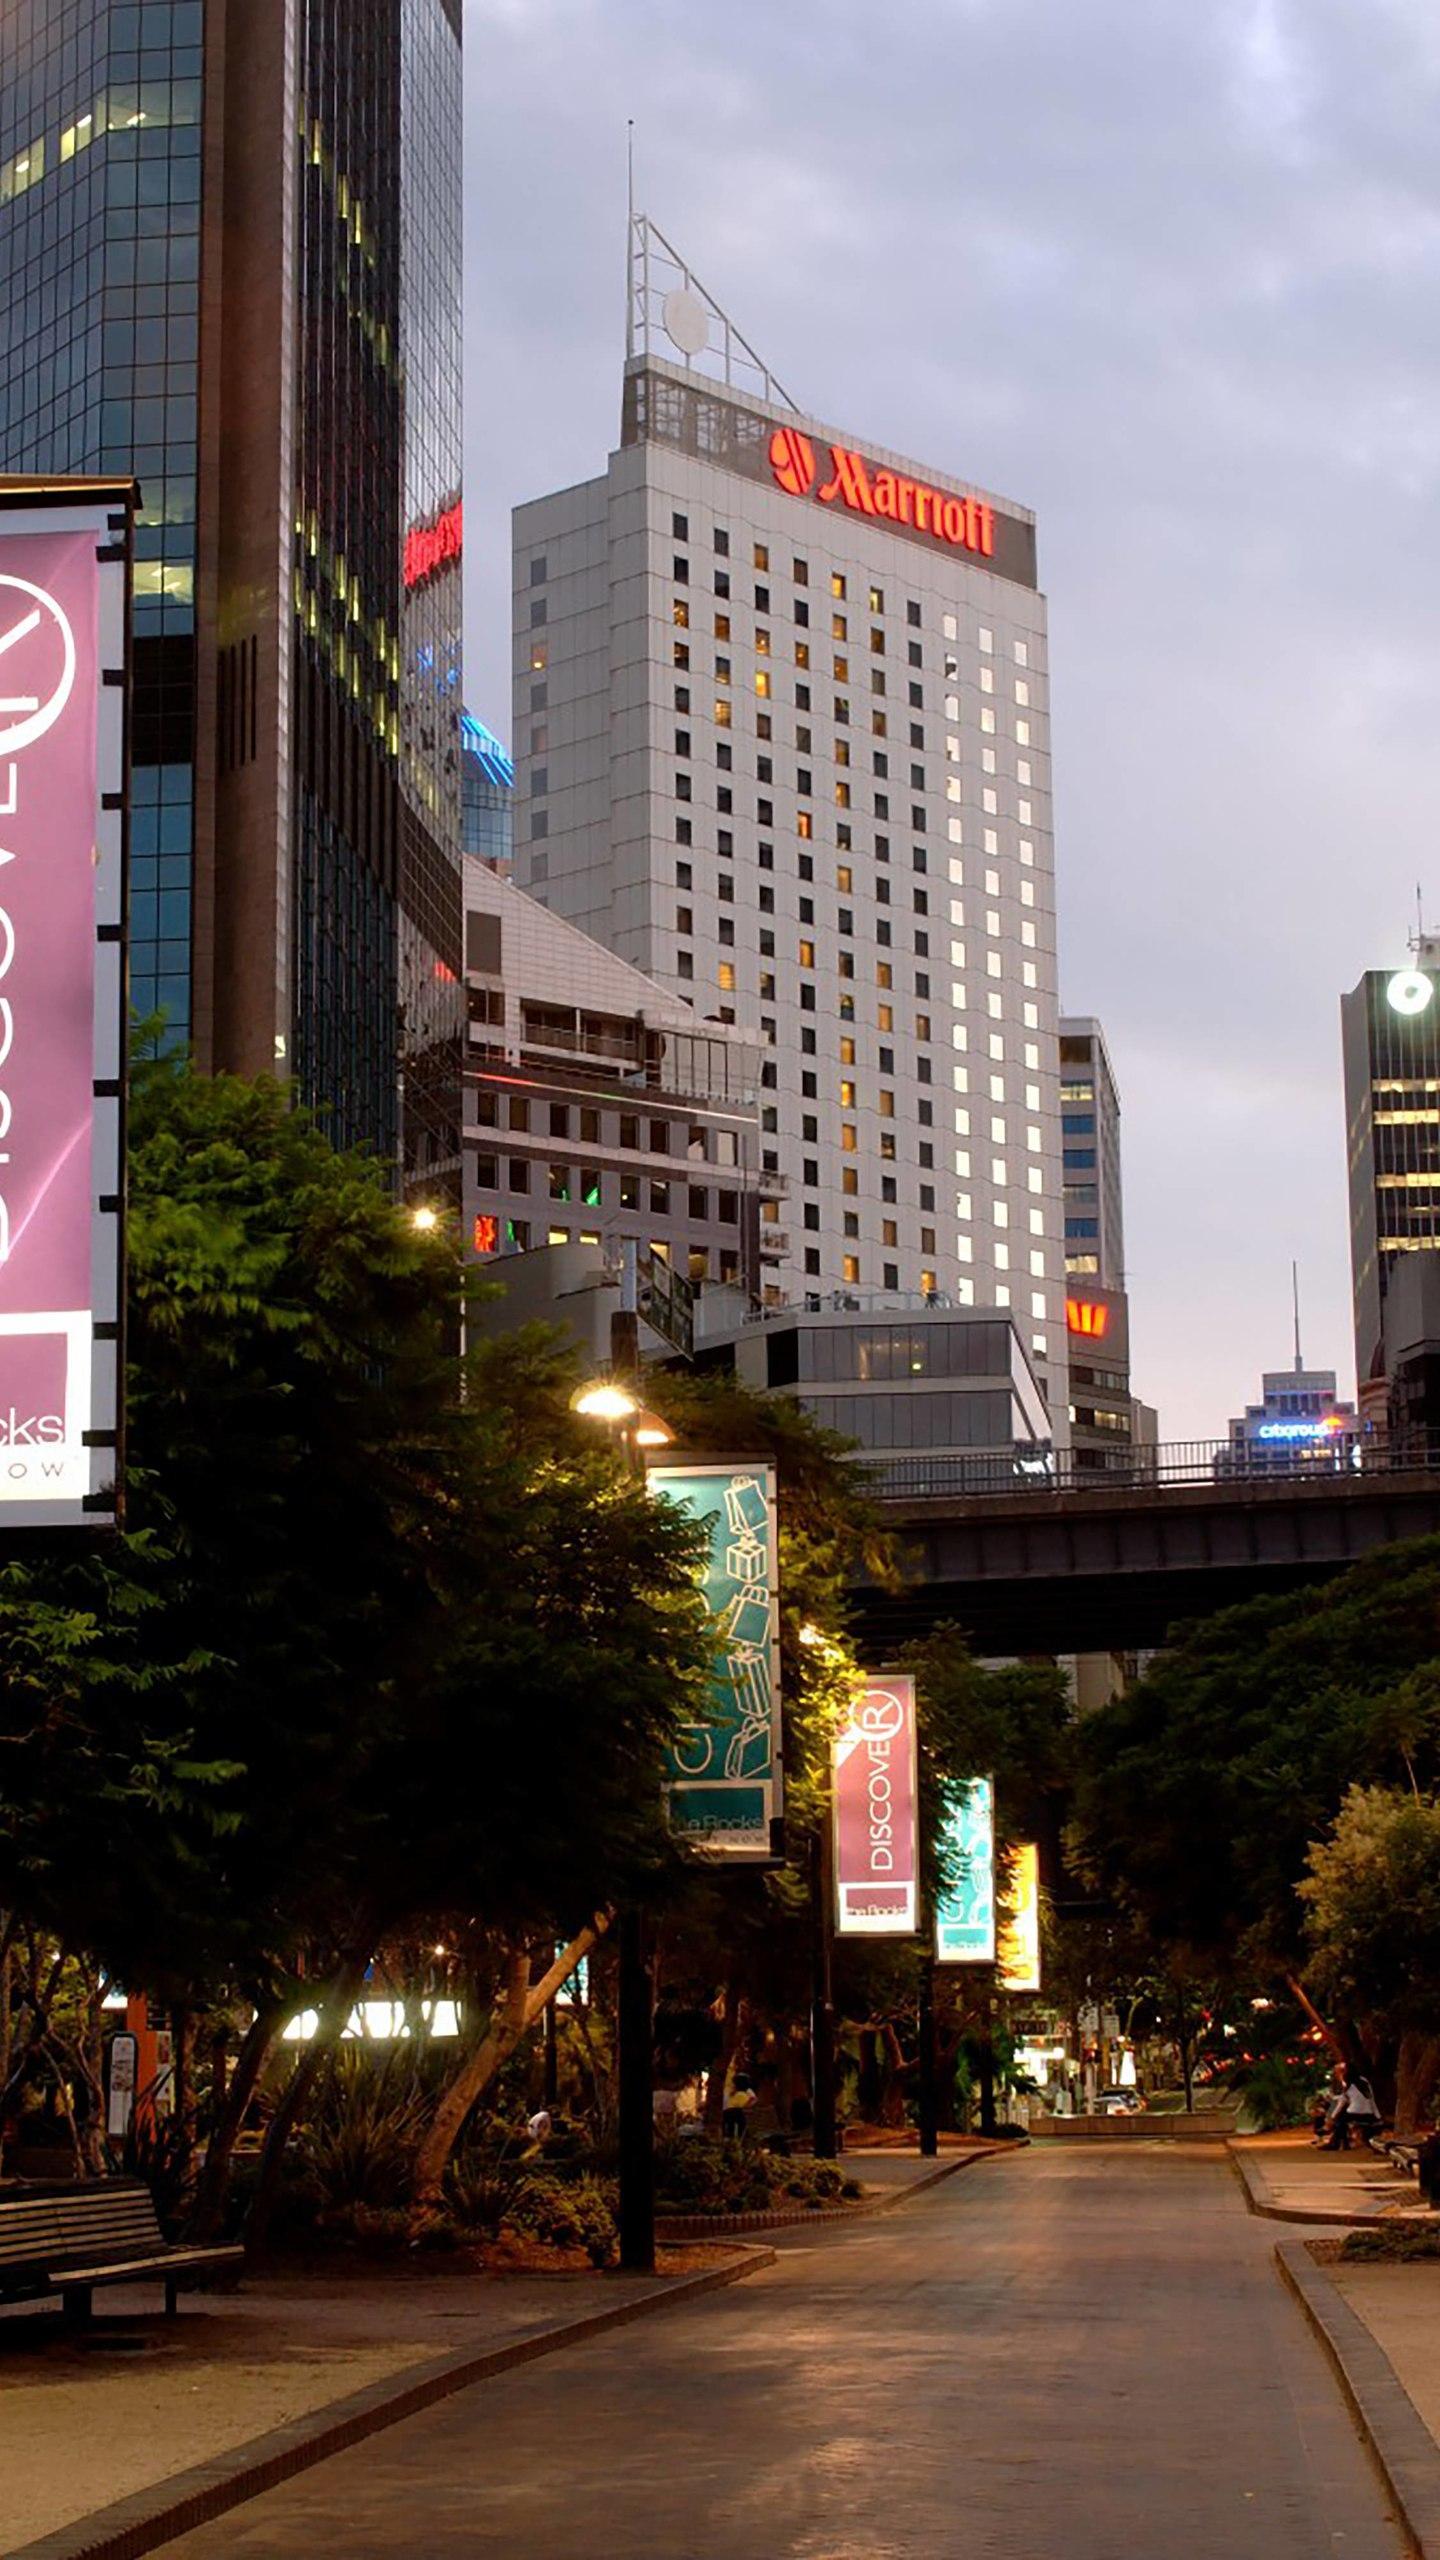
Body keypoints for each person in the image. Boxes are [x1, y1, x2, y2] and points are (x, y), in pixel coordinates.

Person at [722, 2070, 757, 2142]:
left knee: (729, 2122)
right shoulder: (742, 2094)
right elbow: (746, 2105)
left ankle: (729, 2138)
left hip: (731, 2114)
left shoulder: (736, 2094)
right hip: (738, 2114)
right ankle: (736, 2138)